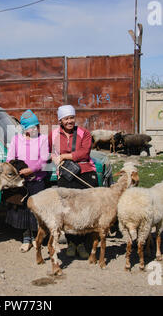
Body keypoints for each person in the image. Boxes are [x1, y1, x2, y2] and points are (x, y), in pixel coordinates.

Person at [49, 105, 98, 259]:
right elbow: (48, 151)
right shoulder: (53, 134)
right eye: (66, 118)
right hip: (66, 174)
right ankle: (71, 243)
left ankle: (82, 243)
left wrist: (64, 156)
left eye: (72, 118)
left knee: (83, 210)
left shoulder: (84, 133)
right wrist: (54, 157)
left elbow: (84, 153)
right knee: (68, 211)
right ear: (60, 120)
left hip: (84, 173)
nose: (69, 121)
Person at [5, 109, 50, 252]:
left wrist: (32, 170)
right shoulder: (17, 140)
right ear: (25, 128)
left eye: (36, 126)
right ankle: (26, 237)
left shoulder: (42, 139)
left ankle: (37, 237)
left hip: (37, 179)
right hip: (21, 181)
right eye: (31, 126)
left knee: (36, 210)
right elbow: (10, 159)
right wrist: (18, 170)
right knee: (23, 209)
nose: (35, 128)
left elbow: (44, 159)